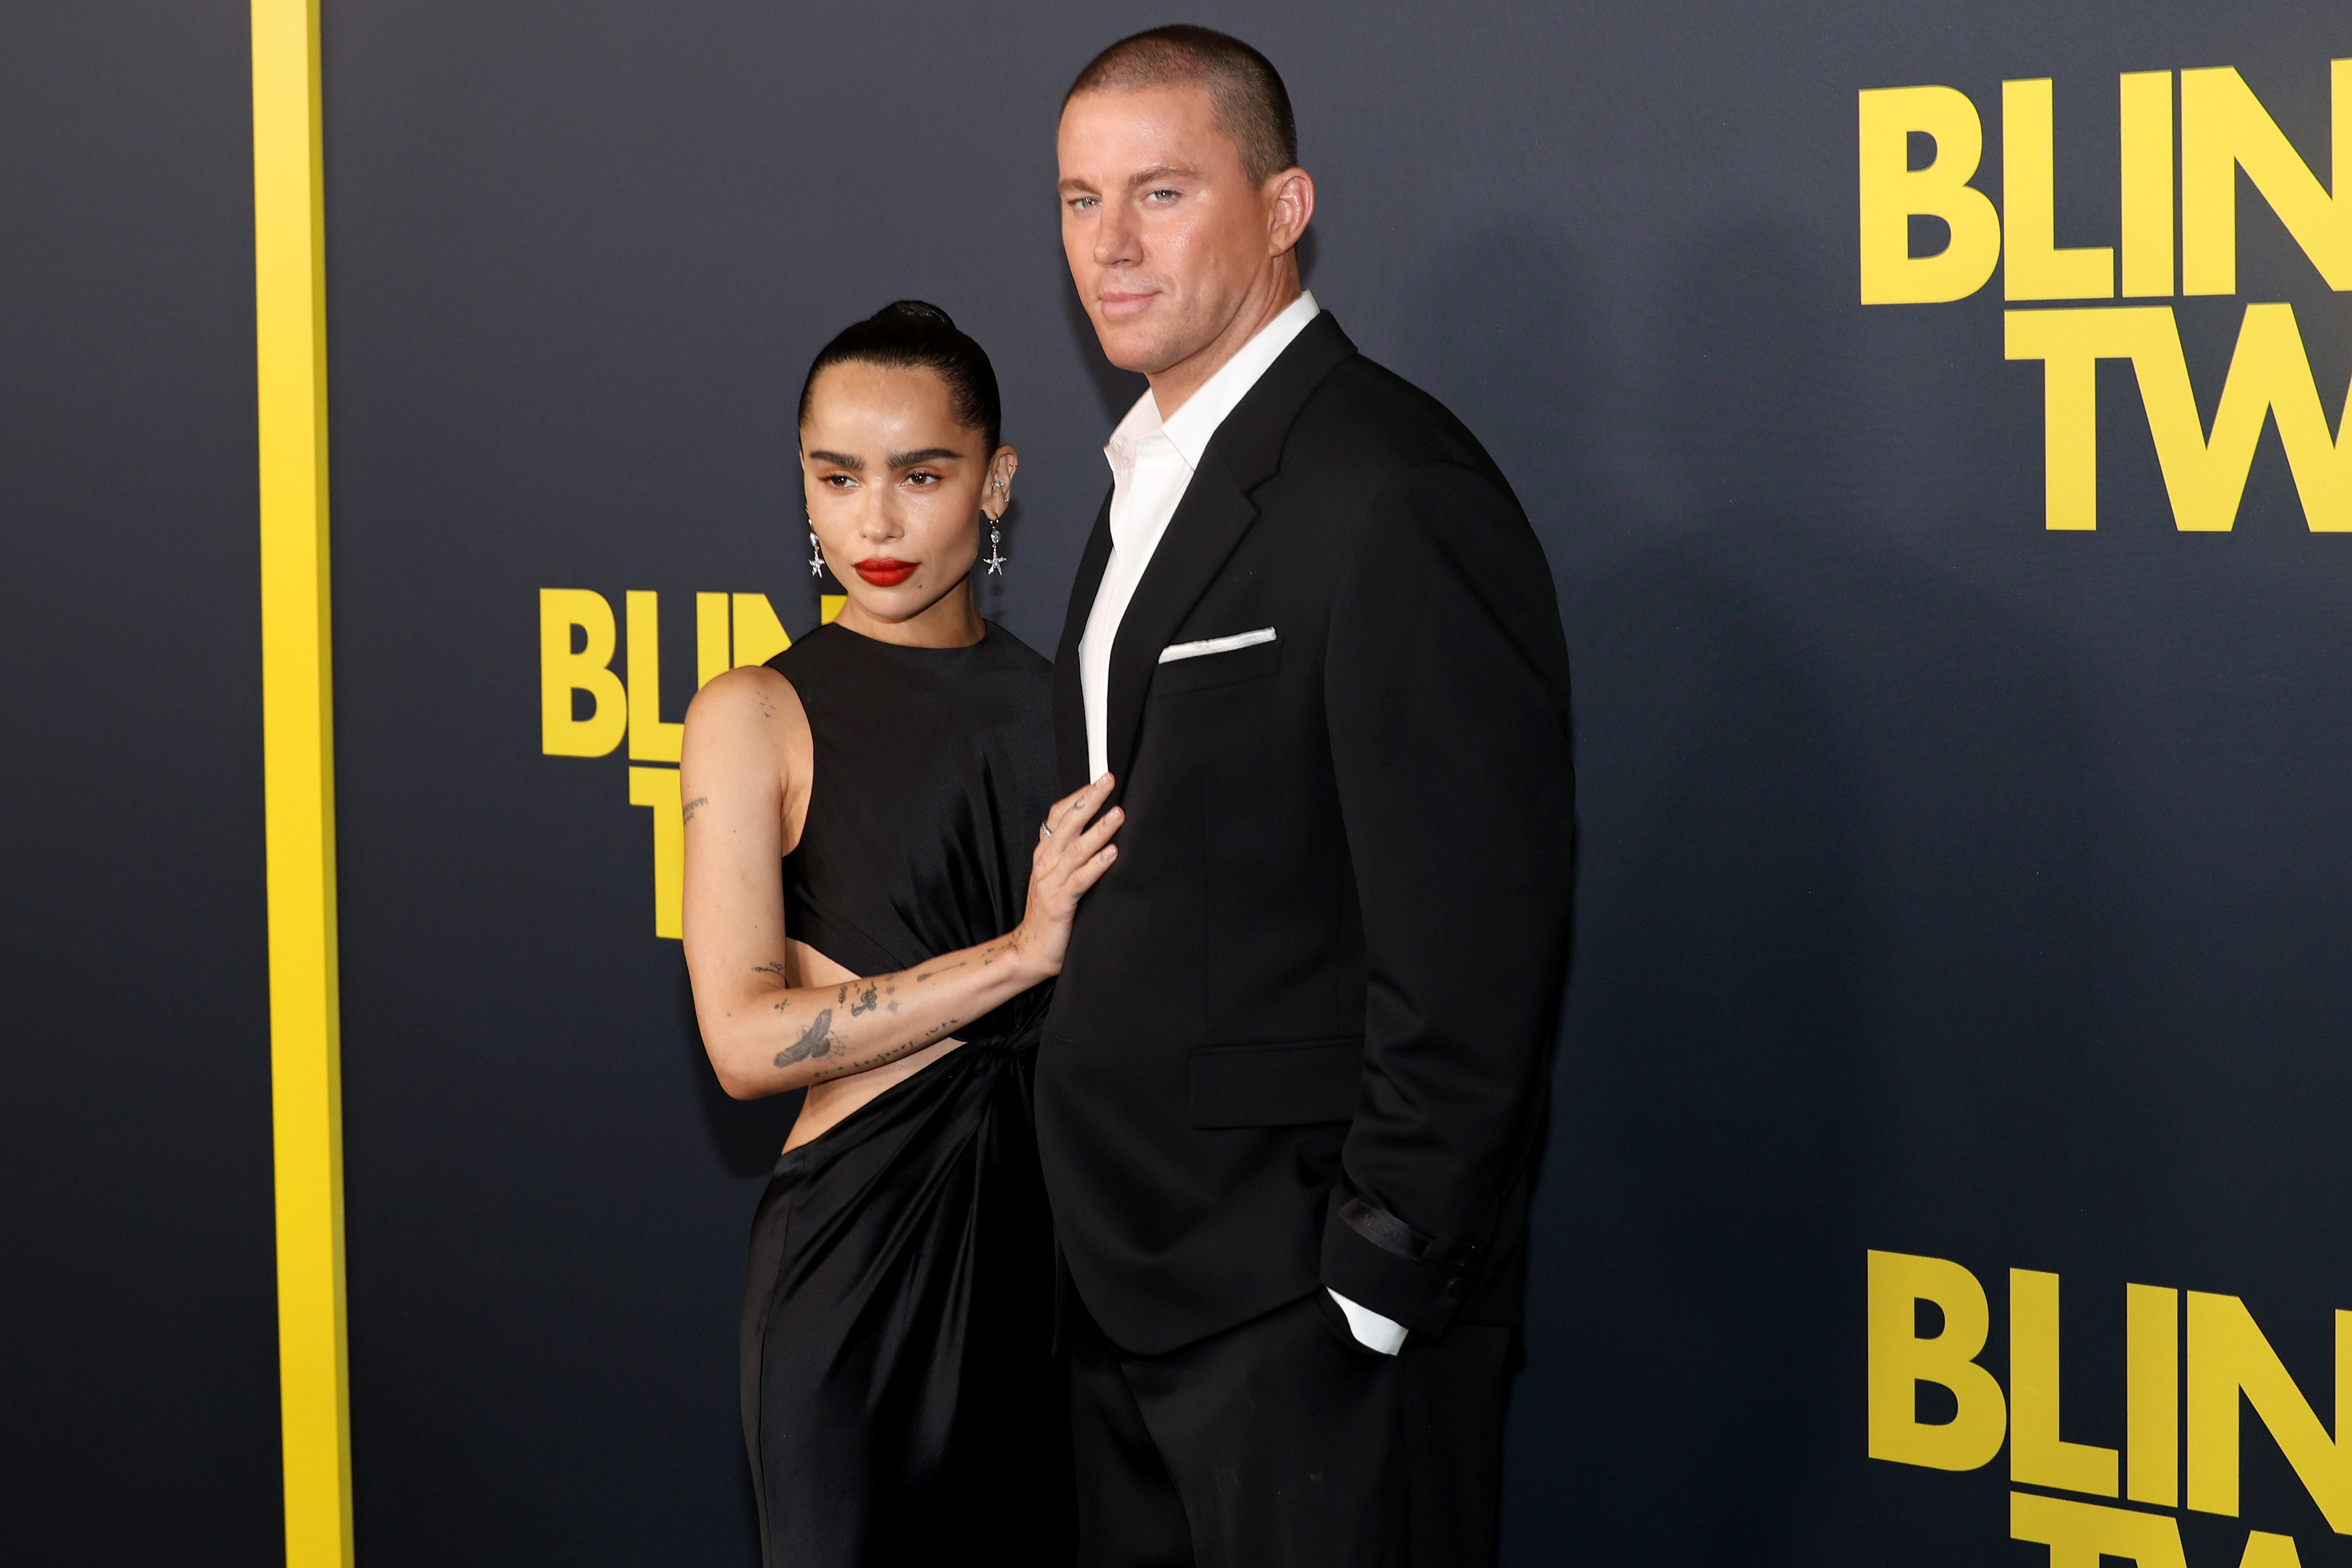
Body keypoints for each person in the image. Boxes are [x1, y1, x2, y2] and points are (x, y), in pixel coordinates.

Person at [1037, 27, 1577, 1567]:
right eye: (1079, 201)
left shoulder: (1391, 487)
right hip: (1125, 1284)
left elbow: (1476, 928)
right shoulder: (1149, 477)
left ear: (1287, 209)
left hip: (1304, 1317)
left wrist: (1376, 1274)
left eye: (1160, 192)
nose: (1111, 246)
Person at [679, 300, 1116, 1566]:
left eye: (921, 476)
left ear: (998, 481)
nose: (873, 524)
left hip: (1057, 1277)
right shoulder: (752, 713)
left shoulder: (1075, 709)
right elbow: (745, 1043)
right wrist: (1022, 956)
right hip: (860, 1270)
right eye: (837, 477)